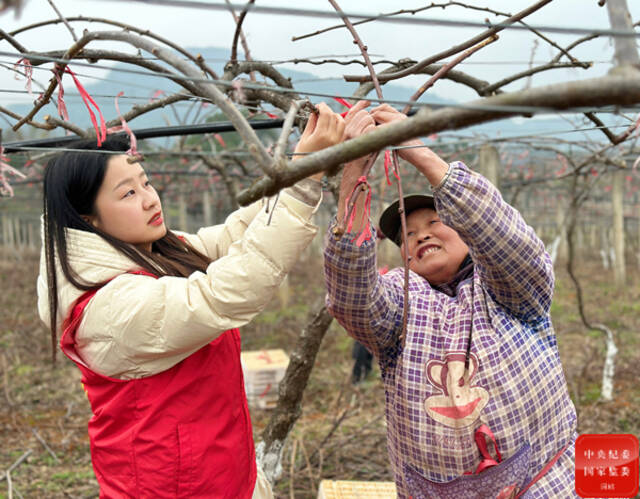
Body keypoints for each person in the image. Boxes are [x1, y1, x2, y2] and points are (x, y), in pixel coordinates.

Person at [37, 103, 344, 499]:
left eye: (145, 182)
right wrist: (304, 179)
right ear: (89, 221)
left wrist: (300, 165)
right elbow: (225, 292)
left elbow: (231, 239)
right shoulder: (113, 308)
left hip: (219, 474)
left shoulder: (152, 254)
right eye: (128, 193)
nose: (150, 199)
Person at [323, 101, 577, 498]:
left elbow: (510, 243)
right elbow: (352, 298)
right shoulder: (402, 306)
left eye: (435, 222)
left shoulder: (508, 291)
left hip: (544, 483)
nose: (420, 235)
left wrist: (419, 152)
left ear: (466, 229)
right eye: (407, 235)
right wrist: (353, 171)